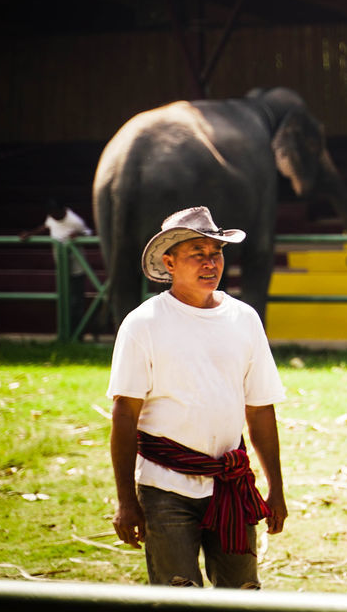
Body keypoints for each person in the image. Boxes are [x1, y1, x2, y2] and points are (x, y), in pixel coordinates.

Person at [107, 206, 287, 588]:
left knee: (242, 592)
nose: (210, 263)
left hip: (229, 484)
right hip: (165, 486)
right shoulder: (144, 323)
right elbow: (124, 415)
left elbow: (260, 409)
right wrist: (126, 500)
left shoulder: (244, 319)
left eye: (216, 253)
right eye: (197, 254)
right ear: (169, 263)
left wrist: (276, 487)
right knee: (178, 595)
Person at [20, 199, 93, 336]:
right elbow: (46, 226)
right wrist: (30, 234)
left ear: (62, 211)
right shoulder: (51, 218)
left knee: (76, 302)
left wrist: (77, 235)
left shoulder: (74, 221)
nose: (53, 216)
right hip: (61, 269)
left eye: (55, 214)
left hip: (77, 269)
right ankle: (65, 333)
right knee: (64, 301)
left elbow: (88, 233)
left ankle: (77, 334)